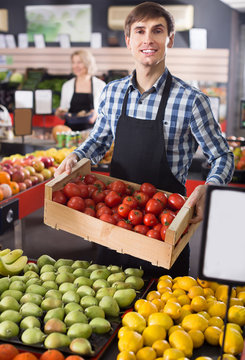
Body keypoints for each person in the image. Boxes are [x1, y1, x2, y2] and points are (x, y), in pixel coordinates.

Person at [54, 2, 234, 277]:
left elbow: (222, 156)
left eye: (157, 31)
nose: (148, 39)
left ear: (169, 39)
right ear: (128, 40)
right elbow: (99, 140)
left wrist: (210, 187)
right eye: (140, 31)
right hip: (114, 221)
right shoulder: (112, 93)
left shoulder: (192, 101)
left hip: (166, 227)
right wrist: (77, 155)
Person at [55, 49, 106, 131]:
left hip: (92, 132)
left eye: (79, 62)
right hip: (70, 132)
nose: (75, 66)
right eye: (73, 62)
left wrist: (96, 114)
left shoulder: (100, 85)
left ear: (88, 63)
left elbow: (106, 112)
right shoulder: (67, 86)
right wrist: (59, 113)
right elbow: (64, 110)